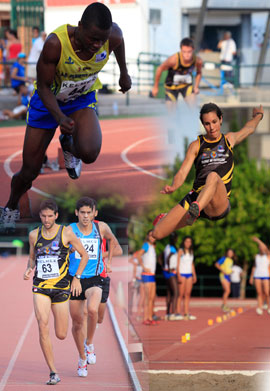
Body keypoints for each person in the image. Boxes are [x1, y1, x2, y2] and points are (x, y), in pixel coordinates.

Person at [0, 2, 131, 228]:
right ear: (79, 27)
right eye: (92, 39)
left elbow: (118, 45)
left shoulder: (113, 37)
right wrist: (59, 117)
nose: (97, 45)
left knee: (89, 152)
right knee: (29, 170)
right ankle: (10, 206)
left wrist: (124, 73)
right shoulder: (55, 44)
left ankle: (68, 145)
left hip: (81, 99)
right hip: (48, 101)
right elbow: (42, 87)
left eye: (102, 40)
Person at [152, 103, 264, 240]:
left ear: (221, 119)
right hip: (196, 197)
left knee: (213, 176)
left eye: (214, 122)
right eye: (207, 124)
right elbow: (182, 172)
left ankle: (195, 211)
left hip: (218, 202)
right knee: (156, 233)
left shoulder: (229, 140)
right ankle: (189, 213)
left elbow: (249, 128)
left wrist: (258, 115)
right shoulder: (196, 145)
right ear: (203, 125)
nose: (211, 127)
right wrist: (174, 186)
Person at [23, 199, 88, 385]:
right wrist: (29, 268)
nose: (46, 219)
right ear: (40, 216)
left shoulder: (66, 233)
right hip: (41, 287)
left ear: (56, 216)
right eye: (43, 216)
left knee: (61, 334)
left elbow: (85, 255)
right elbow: (32, 258)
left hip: (61, 288)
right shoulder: (34, 235)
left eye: (50, 216)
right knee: (42, 324)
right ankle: (53, 372)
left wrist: (76, 278)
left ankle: (80, 349)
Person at [68, 196, 120, 377]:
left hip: (95, 278)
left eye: (89, 213)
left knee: (92, 310)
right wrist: (69, 249)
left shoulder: (101, 227)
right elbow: (60, 249)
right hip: (75, 279)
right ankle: (82, 359)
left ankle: (89, 344)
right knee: (76, 323)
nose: (85, 216)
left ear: (94, 213)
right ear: (76, 213)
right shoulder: (69, 230)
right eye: (82, 212)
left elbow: (114, 241)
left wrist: (109, 261)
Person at [151, 37, 203, 107]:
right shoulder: (173, 59)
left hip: (186, 85)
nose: (187, 55)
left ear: (193, 50)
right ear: (181, 50)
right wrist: (155, 87)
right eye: (184, 52)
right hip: (171, 87)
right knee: (172, 114)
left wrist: (196, 86)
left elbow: (199, 72)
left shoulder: (198, 60)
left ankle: (192, 117)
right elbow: (159, 69)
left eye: (189, 52)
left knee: (194, 107)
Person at [133, 230, 158, 325]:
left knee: (152, 298)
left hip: (152, 275)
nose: (152, 237)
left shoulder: (153, 246)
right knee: (147, 298)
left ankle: (150, 317)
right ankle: (145, 318)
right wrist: (143, 267)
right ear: (147, 236)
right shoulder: (146, 245)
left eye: (153, 236)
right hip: (146, 275)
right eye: (150, 235)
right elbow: (138, 255)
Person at [176, 236, 197, 320]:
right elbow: (177, 263)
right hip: (182, 274)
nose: (188, 243)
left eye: (189, 242)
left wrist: (194, 275)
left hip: (189, 274)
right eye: (186, 241)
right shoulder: (180, 251)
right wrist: (178, 274)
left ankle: (186, 312)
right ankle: (178, 312)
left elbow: (192, 264)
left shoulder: (191, 252)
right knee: (180, 294)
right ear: (183, 242)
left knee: (187, 294)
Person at [249, 237, 270, 315]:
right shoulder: (256, 256)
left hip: (265, 276)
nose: (261, 248)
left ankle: (268, 307)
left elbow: (264, 248)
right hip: (257, 275)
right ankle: (260, 307)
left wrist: (258, 241)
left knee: (267, 292)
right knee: (259, 292)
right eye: (260, 247)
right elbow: (254, 267)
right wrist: (251, 277)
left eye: (262, 247)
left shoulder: (267, 255)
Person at [163, 232, 179, 320]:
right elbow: (169, 257)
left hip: (165, 271)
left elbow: (161, 257)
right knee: (176, 292)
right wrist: (169, 267)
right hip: (170, 271)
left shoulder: (167, 247)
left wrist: (163, 266)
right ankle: (173, 313)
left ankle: (168, 313)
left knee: (169, 292)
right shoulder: (172, 247)